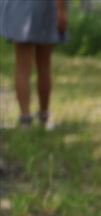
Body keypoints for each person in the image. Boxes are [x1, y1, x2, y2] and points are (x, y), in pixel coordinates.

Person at [0, 0, 67, 128]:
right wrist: (60, 9)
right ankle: (43, 114)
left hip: (18, 7)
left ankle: (25, 117)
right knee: (44, 65)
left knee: (22, 66)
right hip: (45, 7)